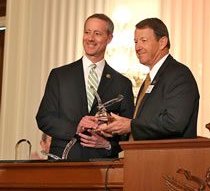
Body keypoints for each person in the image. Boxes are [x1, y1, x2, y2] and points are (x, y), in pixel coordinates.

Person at [36, 13, 134, 159]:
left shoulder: (122, 83)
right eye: (87, 32)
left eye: (97, 33)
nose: (90, 38)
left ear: (109, 38)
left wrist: (107, 145)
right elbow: (44, 119)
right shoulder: (60, 76)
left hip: (102, 168)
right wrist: (76, 127)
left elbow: (128, 132)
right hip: (63, 163)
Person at [100, 17, 199, 140]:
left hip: (170, 157)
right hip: (145, 156)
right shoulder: (150, 79)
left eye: (144, 40)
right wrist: (117, 125)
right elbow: (145, 122)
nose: (137, 47)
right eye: (136, 42)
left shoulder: (179, 75)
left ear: (162, 42)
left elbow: (174, 123)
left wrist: (130, 125)